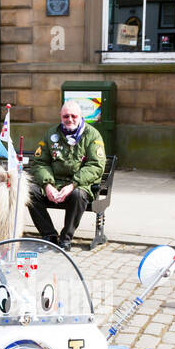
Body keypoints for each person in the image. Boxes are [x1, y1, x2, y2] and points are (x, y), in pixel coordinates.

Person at [28, 100, 106, 249]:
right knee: (30, 192)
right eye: (66, 116)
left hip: (80, 186)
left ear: (81, 116)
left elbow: (96, 166)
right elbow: (40, 163)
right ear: (60, 116)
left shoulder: (92, 135)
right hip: (54, 184)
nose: (69, 119)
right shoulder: (51, 134)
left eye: (73, 116)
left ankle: (65, 239)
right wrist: (47, 185)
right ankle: (49, 236)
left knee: (77, 195)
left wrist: (72, 185)